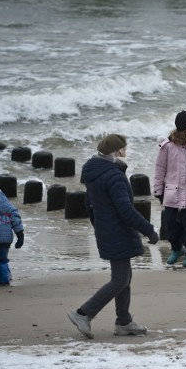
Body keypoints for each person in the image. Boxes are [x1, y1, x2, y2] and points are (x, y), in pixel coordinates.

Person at [68, 134, 159, 339]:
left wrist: (100, 226)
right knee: (120, 280)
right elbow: (126, 210)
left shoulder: (95, 172)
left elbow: (88, 206)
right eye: (124, 147)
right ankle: (83, 313)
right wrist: (149, 230)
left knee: (124, 278)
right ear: (116, 151)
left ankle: (124, 322)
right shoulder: (114, 175)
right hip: (117, 231)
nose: (126, 150)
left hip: (107, 230)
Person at [153, 110, 186, 268]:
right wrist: (158, 191)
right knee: (170, 224)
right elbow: (159, 170)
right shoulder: (167, 146)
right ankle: (177, 249)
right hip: (172, 193)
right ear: (182, 129)